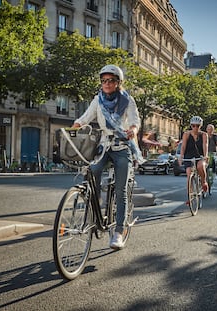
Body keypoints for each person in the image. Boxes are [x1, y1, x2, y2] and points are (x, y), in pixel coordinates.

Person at [72, 64, 140, 250]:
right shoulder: (98, 100)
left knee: (120, 191)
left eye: (111, 80)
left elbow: (135, 121)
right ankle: (97, 203)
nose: (107, 83)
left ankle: (119, 230)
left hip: (121, 146)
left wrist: (132, 130)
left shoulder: (127, 100)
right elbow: (85, 118)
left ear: (118, 83)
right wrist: (74, 126)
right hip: (103, 146)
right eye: (104, 80)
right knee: (92, 170)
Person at [179, 116, 209, 203]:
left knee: (200, 166)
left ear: (200, 126)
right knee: (189, 174)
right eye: (193, 125)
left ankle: (204, 182)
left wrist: (206, 155)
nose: (195, 128)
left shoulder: (204, 135)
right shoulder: (186, 134)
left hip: (199, 155)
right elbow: (183, 146)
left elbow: (205, 145)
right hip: (189, 155)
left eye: (197, 126)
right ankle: (190, 196)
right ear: (191, 126)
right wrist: (181, 156)